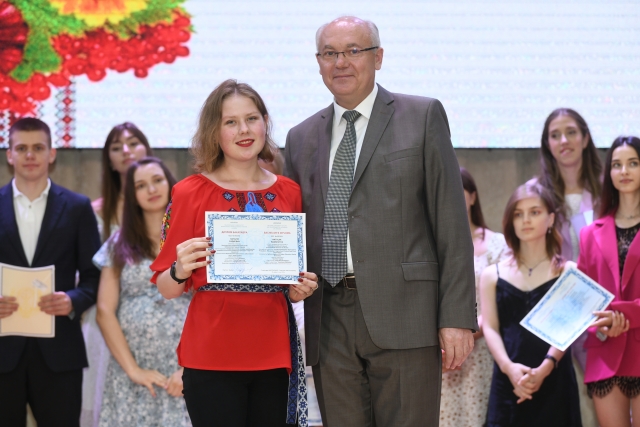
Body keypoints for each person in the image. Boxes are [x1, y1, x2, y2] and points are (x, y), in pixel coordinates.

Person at [284, 16, 476, 426]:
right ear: (318, 62)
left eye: (353, 51)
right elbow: (293, 229)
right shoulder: (300, 137)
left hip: (407, 314)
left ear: (378, 57)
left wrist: (457, 318)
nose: (341, 62)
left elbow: (451, 225)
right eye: (330, 53)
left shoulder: (421, 116)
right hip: (329, 318)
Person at [150, 79, 318, 427]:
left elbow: (290, 280)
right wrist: (180, 269)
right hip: (210, 353)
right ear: (215, 132)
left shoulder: (290, 192)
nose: (244, 130)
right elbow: (166, 288)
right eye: (231, 122)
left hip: (273, 352)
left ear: (265, 123)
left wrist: (299, 288)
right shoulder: (188, 193)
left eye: (251, 118)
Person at [0, 117, 101, 426]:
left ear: (52, 153)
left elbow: (94, 276)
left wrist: (72, 300)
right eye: (22, 148)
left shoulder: (78, 207)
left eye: (38, 148)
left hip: (60, 351)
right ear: (10, 155)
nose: (30, 155)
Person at [94, 157, 190, 426]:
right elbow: (104, 311)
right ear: (131, 195)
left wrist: (189, 370)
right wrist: (134, 370)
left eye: (157, 180)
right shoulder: (118, 243)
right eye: (141, 185)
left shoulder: (192, 239)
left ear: (170, 184)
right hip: (131, 374)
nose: (151, 189)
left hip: (185, 373)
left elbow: (212, 308)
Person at [480, 181, 582, 427]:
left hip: (555, 380)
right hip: (509, 381)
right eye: (518, 214)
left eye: (534, 212)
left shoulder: (569, 272)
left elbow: (568, 329)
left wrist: (545, 368)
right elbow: (490, 327)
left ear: (550, 219)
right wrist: (509, 368)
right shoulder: (492, 274)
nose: (525, 220)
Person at [82, 122, 153, 427]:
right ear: (109, 160)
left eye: (134, 143)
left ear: (147, 149)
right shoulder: (92, 210)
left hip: (157, 317)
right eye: (116, 147)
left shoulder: (169, 205)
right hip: (106, 318)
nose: (126, 151)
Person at [536, 108, 602, 426]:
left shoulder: (610, 189)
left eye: (571, 132)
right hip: (558, 314)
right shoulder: (536, 195)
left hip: (604, 312)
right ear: (547, 144)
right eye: (555, 135)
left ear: (585, 138)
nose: (564, 141)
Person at [577, 136, 640, 427]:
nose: (624, 171)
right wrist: (600, 324)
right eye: (617, 165)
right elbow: (582, 297)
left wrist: (620, 314)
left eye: (633, 163)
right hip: (605, 349)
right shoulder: (589, 233)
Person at [439, 168, 510, 427]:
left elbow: (503, 302)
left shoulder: (497, 245)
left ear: (472, 197)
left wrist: (463, 335)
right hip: (440, 352)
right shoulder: (428, 244)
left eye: (458, 192)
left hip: (481, 351)